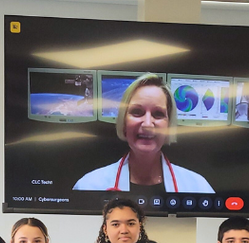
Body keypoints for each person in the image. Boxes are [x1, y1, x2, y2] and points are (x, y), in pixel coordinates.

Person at [73, 73, 214, 194]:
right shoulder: (88, 185)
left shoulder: (199, 187)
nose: (147, 124)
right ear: (124, 123)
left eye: (158, 114)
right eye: (137, 112)